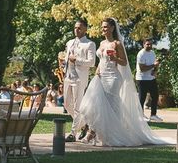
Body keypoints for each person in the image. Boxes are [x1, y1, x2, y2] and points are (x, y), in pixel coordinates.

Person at [77, 18, 170, 147]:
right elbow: (101, 61)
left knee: (109, 107)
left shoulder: (117, 44)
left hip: (113, 78)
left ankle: (97, 134)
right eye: (102, 27)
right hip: (101, 77)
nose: (103, 29)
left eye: (105, 27)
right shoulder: (102, 43)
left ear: (112, 28)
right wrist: (97, 71)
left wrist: (115, 58)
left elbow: (124, 62)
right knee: (93, 105)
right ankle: (94, 132)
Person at [63, 19, 97, 141]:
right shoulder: (69, 42)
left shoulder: (89, 44)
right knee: (67, 104)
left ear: (85, 29)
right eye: (75, 27)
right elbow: (67, 58)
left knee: (78, 107)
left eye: (79, 28)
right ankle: (84, 125)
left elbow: (92, 63)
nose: (76, 30)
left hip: (79, 78)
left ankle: (73, 133)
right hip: (68, 76)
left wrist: (76, 60)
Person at [136, 38, 162, 122]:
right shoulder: (141, 54)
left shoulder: (152, 53)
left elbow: (155, 65)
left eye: (150, 44)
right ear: (143, 44)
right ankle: (140, 116)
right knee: (142, 98)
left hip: (151, 78)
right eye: (147, 44)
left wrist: (155, 71)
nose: (149, 46)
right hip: (142, 79)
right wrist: (153, 65)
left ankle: (153, 115)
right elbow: (142, 68)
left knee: (155, 96)